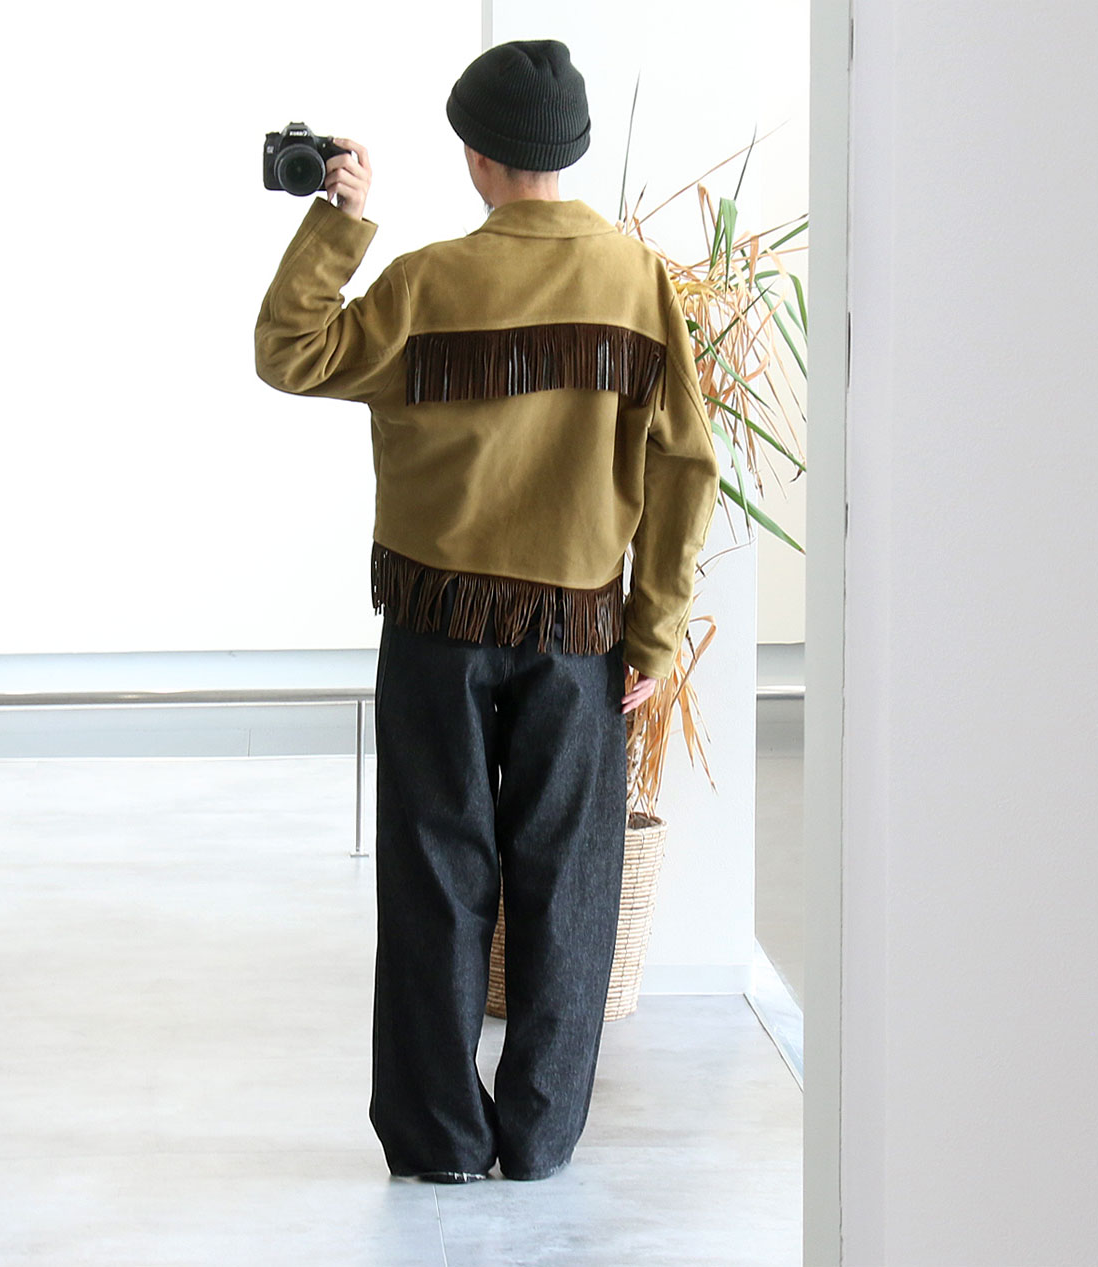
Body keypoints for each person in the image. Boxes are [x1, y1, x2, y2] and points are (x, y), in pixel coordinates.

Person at [254, 38, 718, 1184]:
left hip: (436, 622)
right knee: (567, 881)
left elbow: (290, 353)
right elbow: (683, 466)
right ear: (573, 151)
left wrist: (339, 225)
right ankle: (541, 1137)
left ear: (473, 155)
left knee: (433, 871)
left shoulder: (427, 282)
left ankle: (438, 1139)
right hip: (579, 636)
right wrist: (654, 633)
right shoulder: (638, 283)